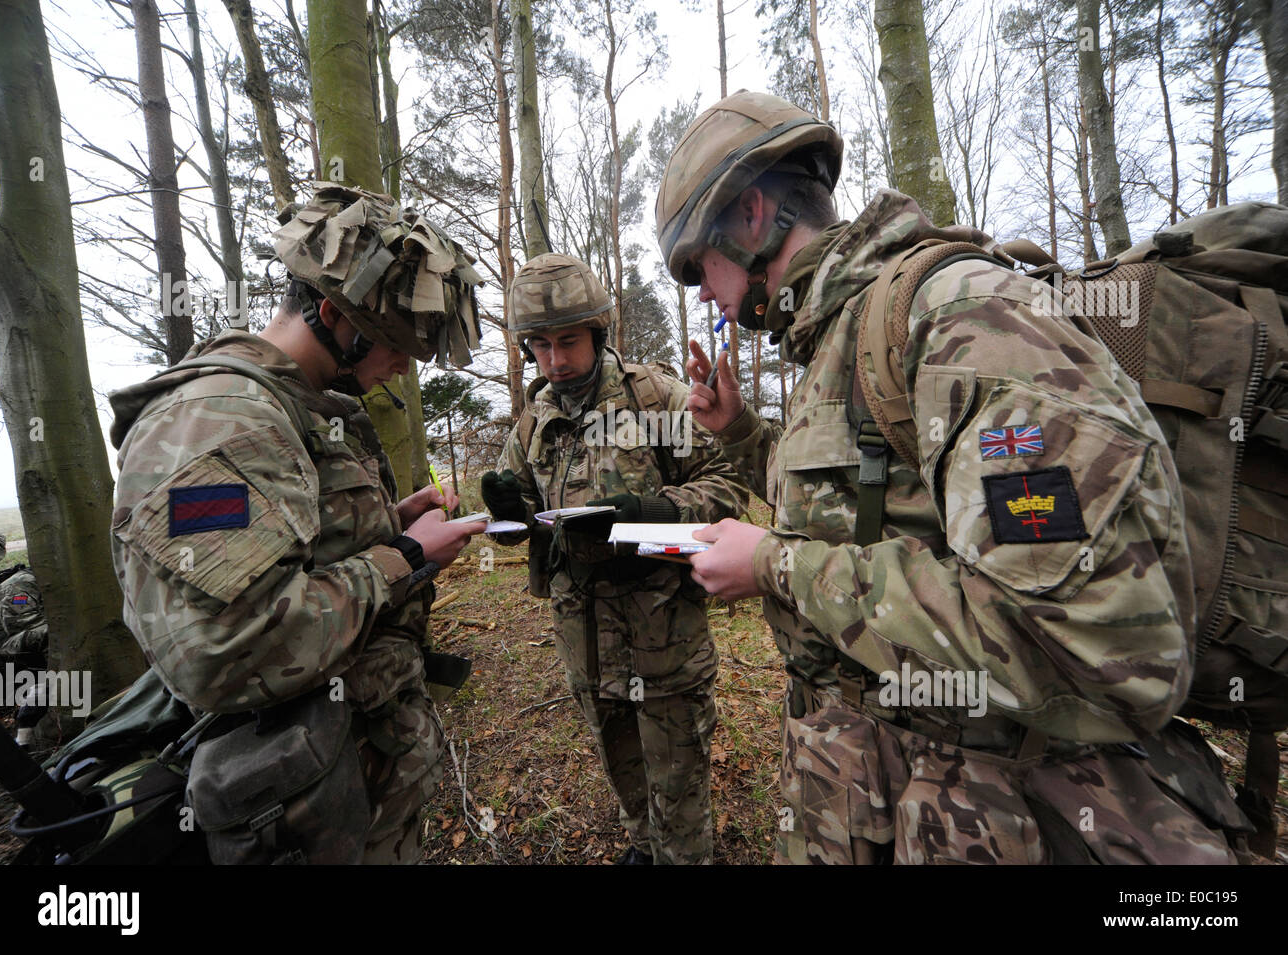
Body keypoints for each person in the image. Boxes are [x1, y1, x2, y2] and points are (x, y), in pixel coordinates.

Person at [656, 91, 1250, 864]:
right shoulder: (841, 332)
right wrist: (741, 433)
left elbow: (1097, 641)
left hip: (1008, 812)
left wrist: (774, 564)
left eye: (698, 266)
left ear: (752, 215)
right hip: (885, 792)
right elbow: (872, 506)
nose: (703, 293)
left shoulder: (963, 320)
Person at [108, 182, 486, 864]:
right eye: (396, 344)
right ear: (339, 317)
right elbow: (228, 649)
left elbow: (288, 555)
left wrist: (390, 523)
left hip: (355, 787)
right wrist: (401, 554)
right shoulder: (217, 425)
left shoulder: (295, 409)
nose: (403, 365)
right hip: (305, 820)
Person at [480, 253, 748, 864]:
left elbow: (728, 480)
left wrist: (655, 515)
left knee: (676, 774)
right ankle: (642, 843)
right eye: (540, 346)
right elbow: (524, 504)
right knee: (619, 757)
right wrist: (508, 514)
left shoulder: (655, 399)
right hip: (584, 636)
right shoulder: (535, 419)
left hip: (662, 634)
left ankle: (683, 855)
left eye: (568, 341)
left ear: (599, 333)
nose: (556, 360)